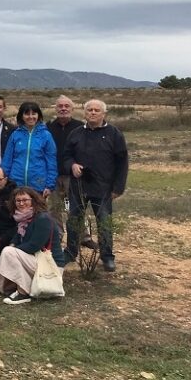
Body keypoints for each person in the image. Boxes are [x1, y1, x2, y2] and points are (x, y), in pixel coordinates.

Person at [62, 99, 129, 272]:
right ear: (84, 113)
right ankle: (70, 252)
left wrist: (118, 188)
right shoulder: (76, 133)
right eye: (89, 110)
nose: (92, 113)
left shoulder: (114, 134)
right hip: (78, 186)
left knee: (104, 222)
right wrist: (72, 165)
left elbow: (122, 162)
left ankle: (107, 257)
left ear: (103, 114)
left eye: (96, 110)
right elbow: (66, 156)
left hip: (103, 188)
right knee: (74, 220)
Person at [0, 188, 65, 304]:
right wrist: (12, 246)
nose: (21, 203)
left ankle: (23, 292)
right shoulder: (24, 219)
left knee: (8, 252)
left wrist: (12, 250)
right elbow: (17, 237)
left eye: (25, 200)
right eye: (18, 201)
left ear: (33, 200)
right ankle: (22, 286)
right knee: (8, 255)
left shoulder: (42, 218)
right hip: (35, 260)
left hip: (50, 265)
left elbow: (34, 246)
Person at [2, 102, 57, 199]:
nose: (30, 117)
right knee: (16, 212)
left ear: (38, 115)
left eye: (34, 113)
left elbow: (51, 162)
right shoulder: (15, 135)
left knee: (37, 213)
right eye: (27, 114)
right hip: (15, 184)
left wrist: (49, 185)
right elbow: (7, 159)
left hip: (38, 185)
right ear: (21, 116)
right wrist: (4, 179)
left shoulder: (46, 136)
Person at [47, 95, 83, 226]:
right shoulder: (49, 127)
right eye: (60, 106)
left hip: (72, 175)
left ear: (72, 109)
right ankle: (57, 236)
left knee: (76, 207)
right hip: (53, 175)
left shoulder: (80, 127)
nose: (63, 109)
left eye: (66, 106)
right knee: (54, 208)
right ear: (55, 109)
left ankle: (82, 236)